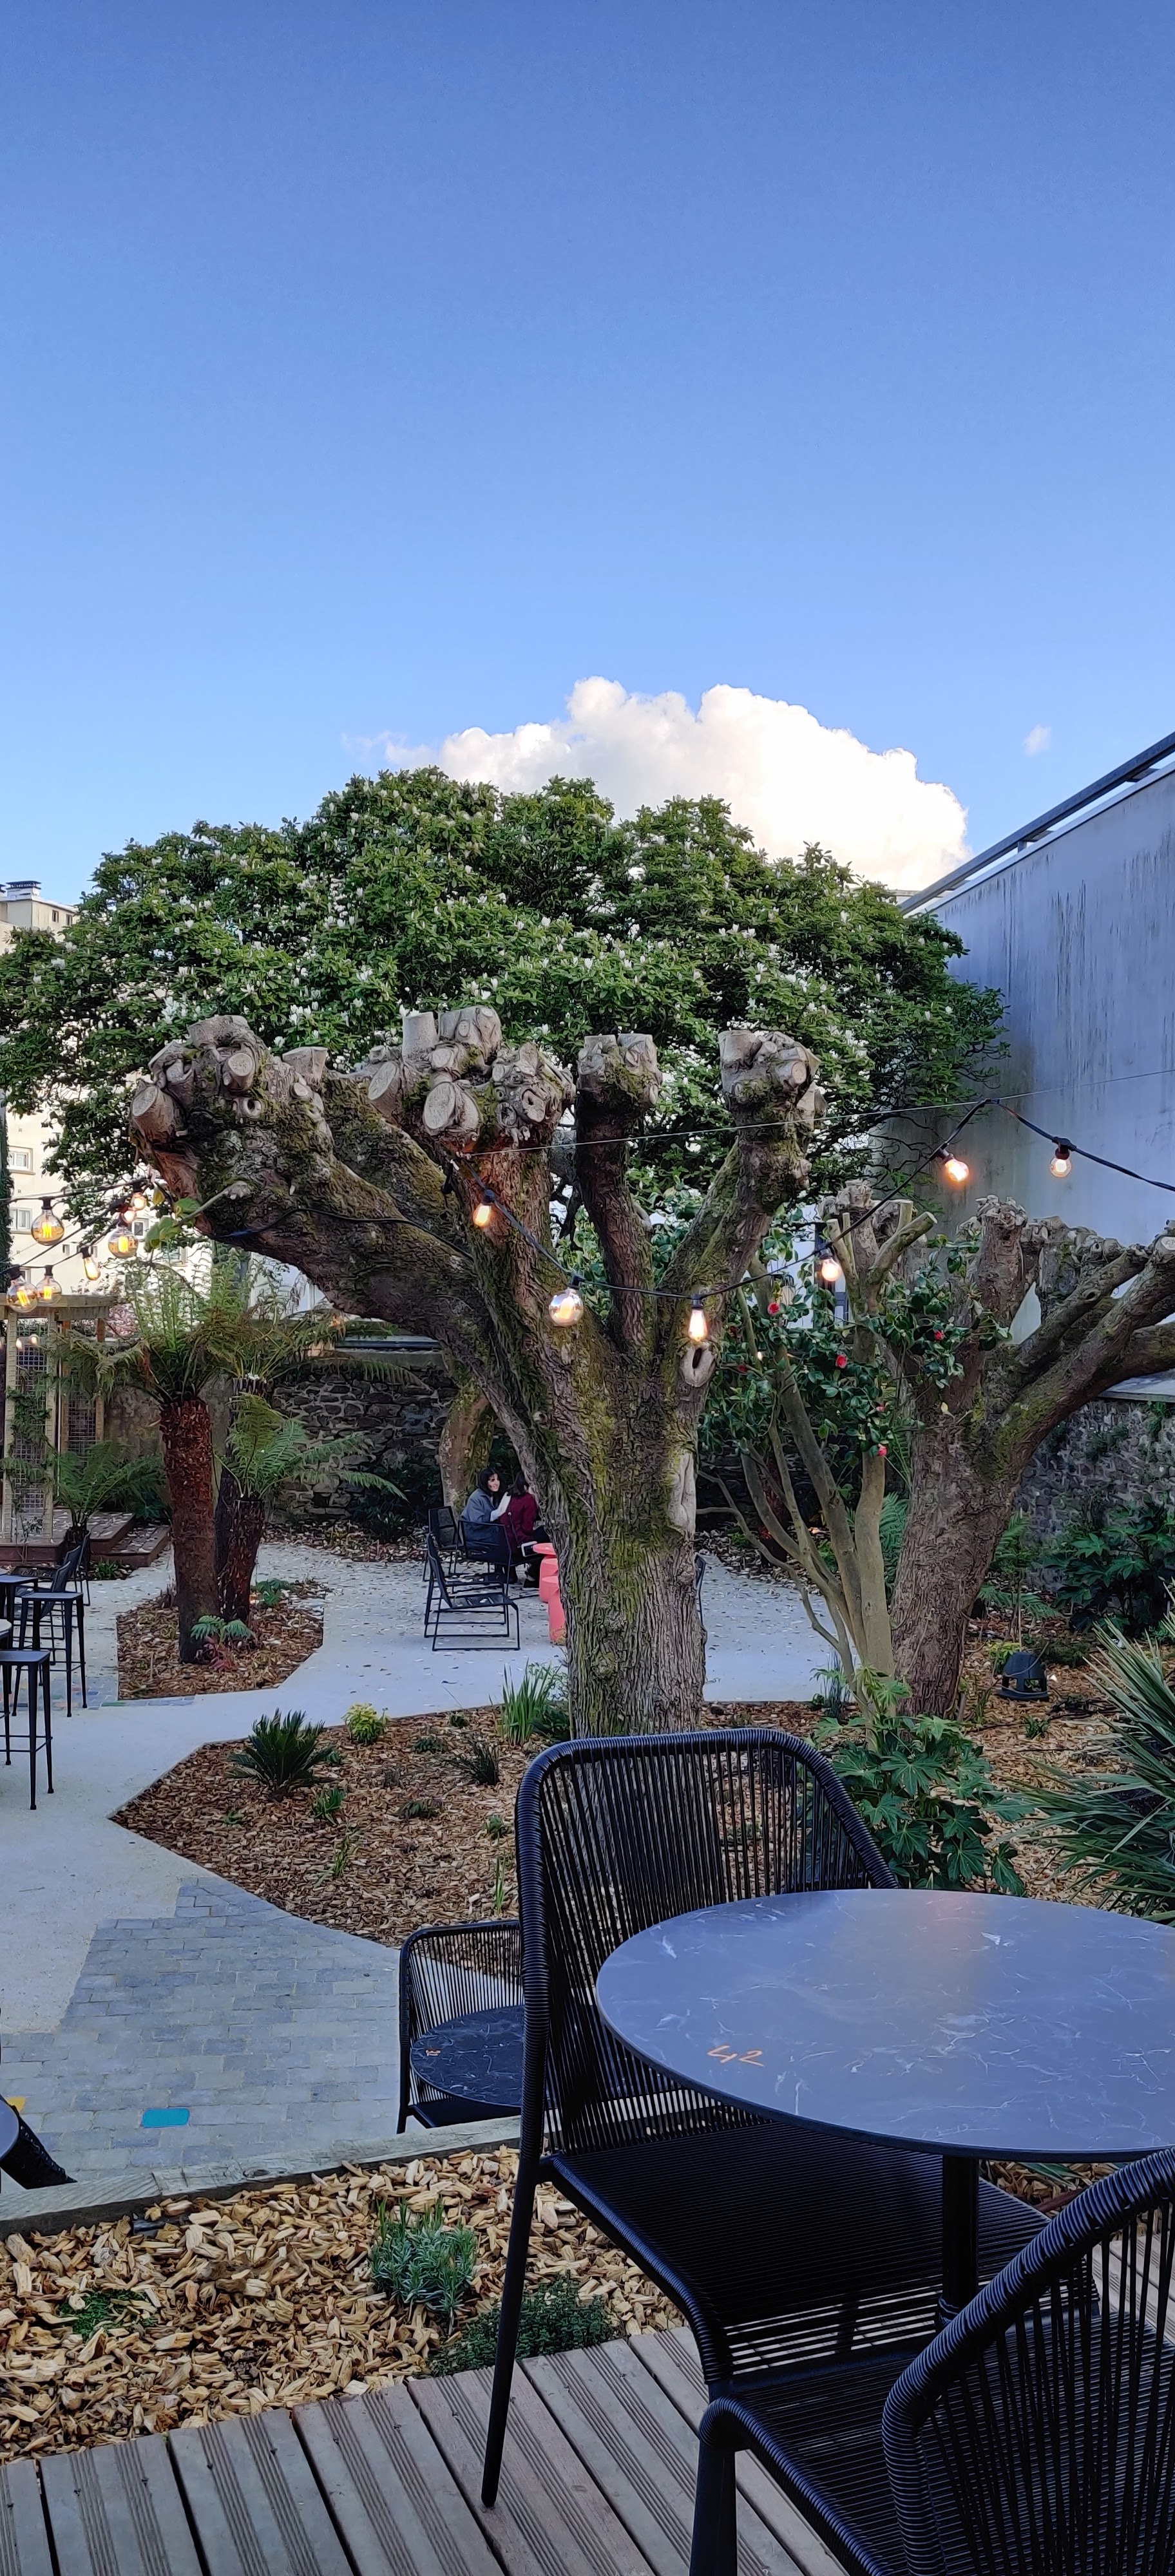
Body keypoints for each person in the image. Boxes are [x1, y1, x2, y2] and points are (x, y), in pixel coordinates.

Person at [461, 1468, 512, 1564]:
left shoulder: (496, 1495)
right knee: (505, 1540)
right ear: (485, 1482)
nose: (496, 1483)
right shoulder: (476, 1498)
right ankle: (506, 1569)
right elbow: (476, 1523)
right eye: (492, 1480)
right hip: (476, 1537)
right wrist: (494, 1515)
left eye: (498, 1479)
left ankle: (507, 1568)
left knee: (511, 1536)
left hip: (491, 1532)